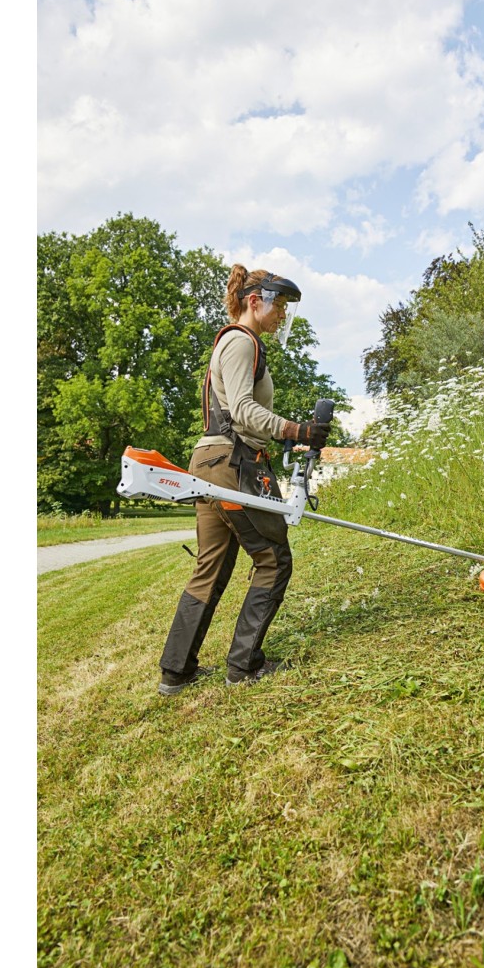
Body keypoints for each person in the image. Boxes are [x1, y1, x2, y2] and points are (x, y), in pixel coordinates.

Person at [158, 265, 330, 696]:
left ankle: (175, 672)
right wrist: (298, 430)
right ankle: (244, 665)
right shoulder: (240, 342)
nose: (281, 317)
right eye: (280, 307)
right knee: (273, 559)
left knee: (210, 568)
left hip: (212, 458)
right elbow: (243, 412)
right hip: (232, 463)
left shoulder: (233, 344)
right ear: (256, 301)